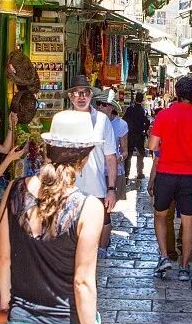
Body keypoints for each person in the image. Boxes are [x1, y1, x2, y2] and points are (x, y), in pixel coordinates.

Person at [0, 110, 105, 324]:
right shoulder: (89, 208)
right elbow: (82, 282)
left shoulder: (14, 191)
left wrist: (6, 304)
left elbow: (3, 259)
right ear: (85, 157)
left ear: (46, 149)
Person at [147, 76, 192, 280]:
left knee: (160, 215)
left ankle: (164, 256)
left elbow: (152, 145)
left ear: (176, 93)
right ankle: (184, 266)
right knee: (188, 220)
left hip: (166, 173)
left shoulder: (164, 115)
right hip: (190, 175)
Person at [64, 76, 118, 255]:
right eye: (77, 93)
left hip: (96, 186)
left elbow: (111, 157)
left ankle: (100, 251)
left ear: (91, 95)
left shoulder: (102, 120)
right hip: (69, 187)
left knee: (102, 221)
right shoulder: (63, 120)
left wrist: (111, 188)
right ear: (70, 96)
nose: (81, 97)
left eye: (85, 93)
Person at [94, 90, 128, 254]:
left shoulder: (121, 125)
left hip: (112, 172)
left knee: (106, 210)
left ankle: (102, 245)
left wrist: (116, 158)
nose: (101, 107)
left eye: (105, 104)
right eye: (99, 104)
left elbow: (125, 151)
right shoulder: (93, 121)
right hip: (96, 172)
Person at [123, 92, 150, 180]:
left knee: (128, 155)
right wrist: (145, 131)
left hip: (130, 134)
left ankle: (126, 174)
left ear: (135, 99)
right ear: (142, 100)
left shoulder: (130, 109)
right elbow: (146, 122)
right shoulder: (143, 110)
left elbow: (124, 120)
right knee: (140, 155)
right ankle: (140, 173)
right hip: (139, 135)